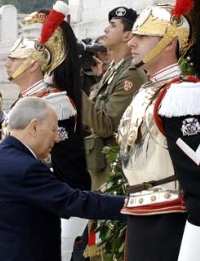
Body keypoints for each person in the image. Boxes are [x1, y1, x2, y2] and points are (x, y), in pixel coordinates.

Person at [4, 2, 91, 260]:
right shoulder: (25, 99)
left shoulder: (53, 102)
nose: (7, 63)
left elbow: (62, 158)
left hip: (49, 193)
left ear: (32, 65)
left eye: (14, 58)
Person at [117, 2, 199, 261]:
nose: (131, 42)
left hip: (170, 218)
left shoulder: (182, 96)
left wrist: (194, 239)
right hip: (143, 213)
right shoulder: (147, 91)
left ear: (169, 42)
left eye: (142, 36)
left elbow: (196, 175)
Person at [0, 96, 125, 261]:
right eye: (53, 130)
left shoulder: (6, 155)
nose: (56, 137)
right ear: (34, 127)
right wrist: (132, 205)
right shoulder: (27, 168)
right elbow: (73, 201)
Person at [82, 6, 147, 191]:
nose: (105, 30)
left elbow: (106, 126)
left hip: (113, 174)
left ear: (127, 35)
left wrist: (76, 93)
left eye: (112, 25)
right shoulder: (114, 69)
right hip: (100, 169)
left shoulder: (130, 75)